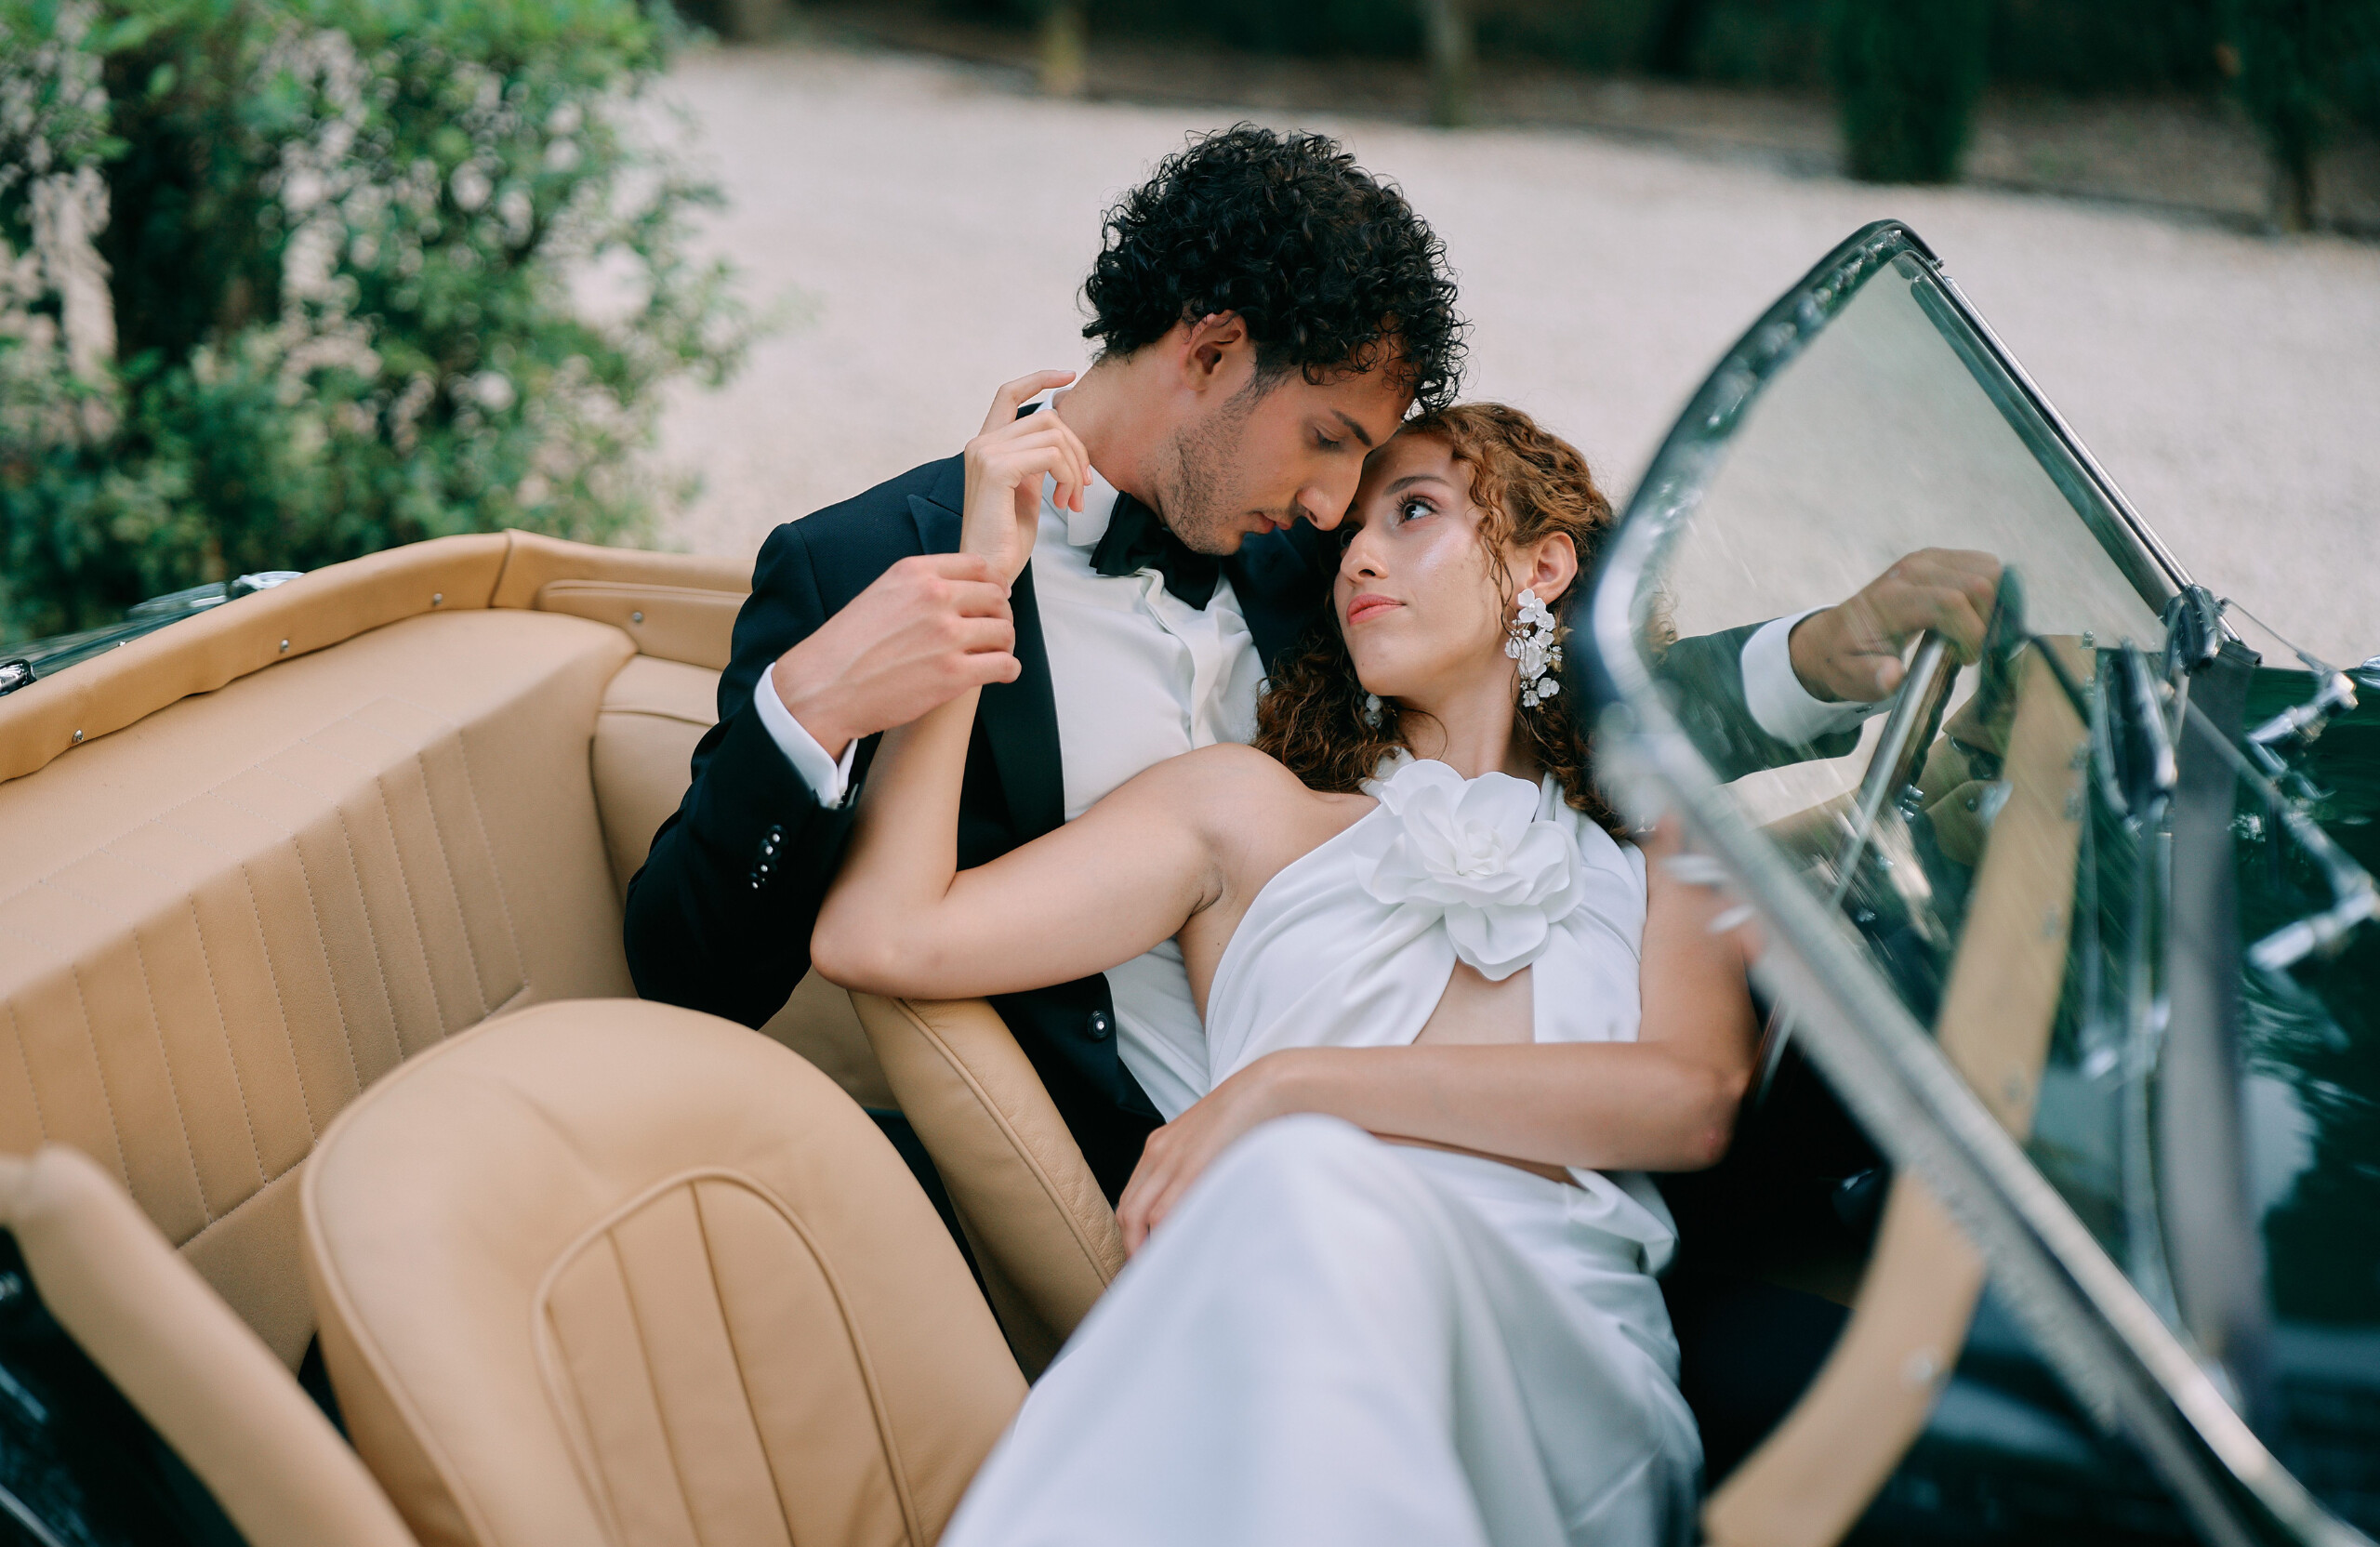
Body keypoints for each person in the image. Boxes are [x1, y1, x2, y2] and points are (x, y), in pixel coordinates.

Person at [621, 123, 2002, 1197]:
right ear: (1213, 353)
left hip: (1477, 1121)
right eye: (1333, 439)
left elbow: (1541, 690)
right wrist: (813, 710)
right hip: (1179, 1174)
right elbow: (689, 983)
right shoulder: (858, 561)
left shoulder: (1305, 554)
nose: (1345, 512)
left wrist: (1818, 655)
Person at [812, 396, 1754, 1546]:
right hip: (1286, 1322)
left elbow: (1691, 1100)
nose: (1358, 550)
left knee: (1301, 1174)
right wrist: (980, 577)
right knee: (1300, 1196)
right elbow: (883, 937)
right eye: (1348, 530)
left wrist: (1288, 1087)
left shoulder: (1664, 836)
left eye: (1414, 511)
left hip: (1553, 1371)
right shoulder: (1240, 812)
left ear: (1542, 564)